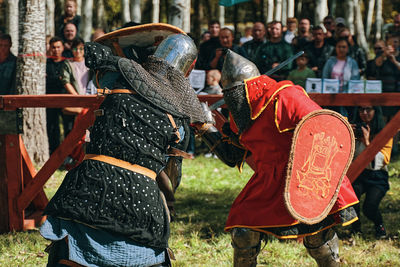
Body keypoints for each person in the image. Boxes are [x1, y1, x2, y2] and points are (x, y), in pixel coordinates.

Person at [40, 32, 210, 267]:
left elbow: (92, 51)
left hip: (86, 189)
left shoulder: (120, 74)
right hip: (140, 203)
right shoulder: (179, 115)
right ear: (189, 68)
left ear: (154, 55)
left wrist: (124, 56)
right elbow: (173, 179)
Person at [205, 50, 358, 267]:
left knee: (318, 241)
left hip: (304, 177)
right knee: (242, 232)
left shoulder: (285, 98)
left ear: (248, 89)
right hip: (267, 181)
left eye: (234, 93)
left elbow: (323, 129)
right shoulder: (243, 112)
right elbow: (233, 157)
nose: (232, 99)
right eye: (228, 94)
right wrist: (205, 127)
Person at [351, 106, 392, 239]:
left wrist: (367, 142)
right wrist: (350, 136)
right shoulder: (355, 129)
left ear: (376, 111)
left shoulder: (384, 133)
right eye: (361, 110)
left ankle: (380, 227)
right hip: (359, 172)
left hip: (377, 175)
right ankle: (356, 229)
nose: (364, 113)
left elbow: (381, 161)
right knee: (351, 199)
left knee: (370, 207)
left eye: (368, 110)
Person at [46, 37, 67, 155]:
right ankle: (54, 153)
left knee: (68, 127)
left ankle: (68, 154)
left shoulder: (66, 63)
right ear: (49, 48)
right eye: (53, 47)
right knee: (52, 127)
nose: (56, 50)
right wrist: (57, 79)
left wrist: (52, 79)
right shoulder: (46, 63)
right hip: (50, 100)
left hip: (66, 99)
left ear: (62, 48)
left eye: (58, 47)